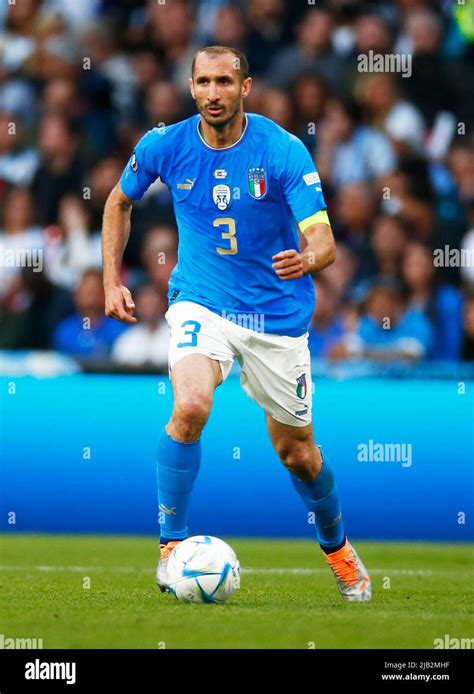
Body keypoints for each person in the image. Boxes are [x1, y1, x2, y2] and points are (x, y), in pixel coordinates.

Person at [102, 46, 371, 602]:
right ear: (191, 86)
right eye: (203, 81)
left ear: (245, 87)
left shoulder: (282, 150)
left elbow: (322, 237)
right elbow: (117, 202)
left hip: (276, 317)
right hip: (201, 300)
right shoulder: (165, 145)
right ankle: (170, 548)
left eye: (225, 81)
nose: (214, 93)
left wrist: (310, 257)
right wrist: (111, 280)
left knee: (297, 452)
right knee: (192, 404)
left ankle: (340, 550)